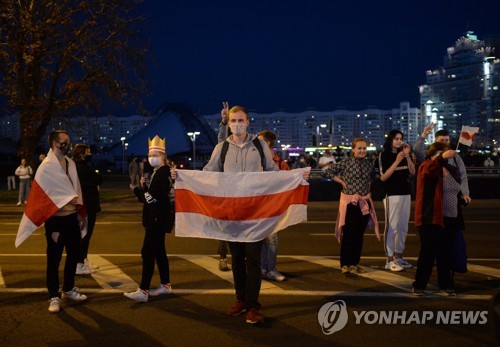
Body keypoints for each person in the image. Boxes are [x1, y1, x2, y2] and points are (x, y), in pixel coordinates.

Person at [174, 105, 281, 324]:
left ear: (248, 122)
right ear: (228, 123)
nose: (237, 124)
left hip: (254, 213)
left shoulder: (259, 145)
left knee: (253, 262)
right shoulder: (221, 148)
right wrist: (183, 176)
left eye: (240, 120)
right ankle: (240, 300)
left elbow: (273, 173)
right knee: (237, 261)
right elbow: (208, 174)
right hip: (231, 214)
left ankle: (253, 307)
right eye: (233, 121)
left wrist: (297, 177)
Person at [42, 130, 88, 313]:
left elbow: (76, 187)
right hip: (55, 220)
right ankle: (54, 296)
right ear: (54, 143)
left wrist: (79, 212)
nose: (68, 144)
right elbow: (45, 196)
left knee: (73, 255)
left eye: (68, 141)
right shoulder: (46, 166)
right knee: (54, 260)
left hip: (71, 218)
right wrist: (64, 203)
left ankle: (68, 289)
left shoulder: (70, 163)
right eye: (64, 141)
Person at [124, 135, 173, 303]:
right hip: (158, 217)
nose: (152, 158)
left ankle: (143, 290)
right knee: (159, 251)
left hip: (157, 219)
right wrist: (144, 187)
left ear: (163, 157)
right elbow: (152, 196)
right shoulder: (158, 172)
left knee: (148, 252)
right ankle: (165, 285)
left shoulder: (162, 173)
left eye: (155, 155)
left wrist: (138, 190)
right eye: (150, 155)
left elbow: (150, 199)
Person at [322, 138, 381, 274]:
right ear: (353, 150)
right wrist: (342, 182)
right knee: (348, 234)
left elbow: (373, 178)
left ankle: (355, 263)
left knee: (359, 235)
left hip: (364, 203)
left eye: (364, 148)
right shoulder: (346, 162)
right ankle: (345, 264)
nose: (362, 151)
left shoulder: (369, 164)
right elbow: (327, 172)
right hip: (349, 203)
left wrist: (367, 189)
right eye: (359, 148)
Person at [412, 142, 461, 296]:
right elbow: (428, 171)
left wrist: (464, 196)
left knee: (445, 253)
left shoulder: (449, 169)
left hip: (448, 216)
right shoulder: (426, 166)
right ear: (431, 155)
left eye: (443, 155)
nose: (441, 158)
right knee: (428, 252)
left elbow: (455, 188)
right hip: (430, 216)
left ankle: (445, 284)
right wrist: (440, 159)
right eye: (438, 155)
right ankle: (419, 285)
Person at [378, 130, 415, 272]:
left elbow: (412, 171)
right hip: (391, 194)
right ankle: (389, 258)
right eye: (396, 139)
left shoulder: (405, 154)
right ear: (390, 140)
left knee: (403, 227)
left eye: (401, 139)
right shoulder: (384, 155)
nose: (399, 141)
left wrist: (408, 156)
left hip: (405, 193)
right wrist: (398, 160)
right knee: (391, 226)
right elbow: (383, 177)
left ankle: (399, 256)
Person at [257, 130, 290, 282]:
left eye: (259, 140)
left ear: (267, 143)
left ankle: (270, 269)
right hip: (257, 207)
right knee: (262, 239)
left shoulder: (279, 163)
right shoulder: (255, 161)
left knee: (272, 239)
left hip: (273, 208)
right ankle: (264, 269)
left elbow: (289, 180)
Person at [413, 125, 471, 205]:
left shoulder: (455, 157)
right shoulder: (430, 155)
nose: (444, 142)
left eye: (447, 140)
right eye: (441, 140)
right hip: (434, 197)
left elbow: (462, 175)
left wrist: (465, 193)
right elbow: (416, 150)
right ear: (435, 140)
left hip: (452, 197)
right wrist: (424, 135)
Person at [72, 144, 103, 275]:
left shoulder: (78, 166)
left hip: (87, 205)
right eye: (88, 152)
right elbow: (98, 179)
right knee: (84, 235)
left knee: (85, 235)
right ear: (81, 153)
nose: (90, 154)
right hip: (86, 206)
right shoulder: (81, 167)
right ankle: (79, 263)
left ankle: (83, 260)